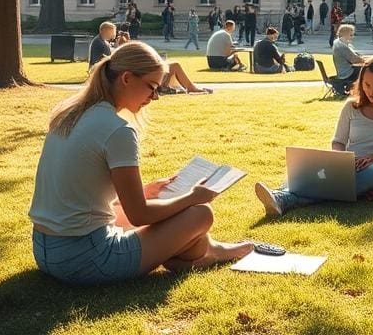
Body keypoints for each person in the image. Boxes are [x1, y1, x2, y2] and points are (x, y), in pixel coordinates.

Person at [28, 41, 252, 284]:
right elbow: (139, 215)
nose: (155, 97)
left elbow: (80, 193)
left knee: (164, 205)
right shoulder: (118, 130)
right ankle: (206, 253)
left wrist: (147, 191)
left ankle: (200, 252)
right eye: (152, 87)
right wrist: (193, 197)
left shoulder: (70, 112)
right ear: (126, 78)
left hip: (45, 250)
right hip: (87, 258)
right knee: (200, 214)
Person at [254, 60, 373, 217]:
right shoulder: (351, 106)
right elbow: (338, 141)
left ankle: (286, 198)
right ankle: (280, 195)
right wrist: (341, 159)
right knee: (309, 168)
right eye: (367, 85)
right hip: (348, 166)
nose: (371, 91)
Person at [331, 24, 364, 96]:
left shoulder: (339, 42)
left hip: (344, 71)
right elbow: (354, 59)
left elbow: (354, 56)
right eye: (351, 35)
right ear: (345, 34)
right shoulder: (341, 45)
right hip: (347, 73)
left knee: (365, 69)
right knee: (367, 70)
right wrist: (366, 59)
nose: (353, 37)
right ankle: (362, 92)